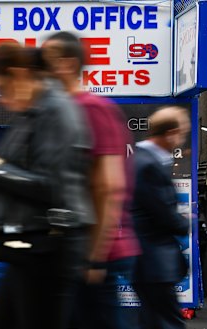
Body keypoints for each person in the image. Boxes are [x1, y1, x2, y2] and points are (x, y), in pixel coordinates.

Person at [0, 43, 94, 329]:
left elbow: (53, 186)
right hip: (24, 249)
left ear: (18, 74)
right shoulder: (31, 114)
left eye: (0, 88)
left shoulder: (55, 112)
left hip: (47, 250)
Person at [42, 32, 141, 329]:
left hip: (95, 253)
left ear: (68, 64)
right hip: (73, 251)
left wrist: (94, 258)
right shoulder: (59, 110)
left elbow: (108, 186)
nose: (40, 68)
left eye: (46, 61)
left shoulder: (90, 108)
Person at [131, 107, 191, 329]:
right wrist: (187, 221)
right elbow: (163, 215)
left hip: (144, 261)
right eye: (182, 133)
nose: (181, 140)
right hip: (154, 262)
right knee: (168, 322)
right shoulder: (149, 165)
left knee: (152, 320)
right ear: (171, 132)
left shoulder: (140, 159)